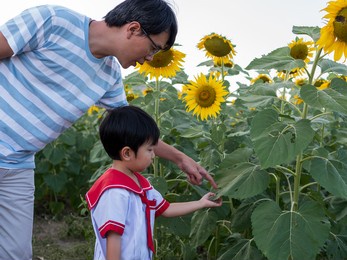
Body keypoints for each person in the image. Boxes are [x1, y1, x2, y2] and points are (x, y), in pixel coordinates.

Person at [0, 0, 218, 259]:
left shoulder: (110, 76)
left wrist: (181, 158)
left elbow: (135, 132)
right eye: (153, 48)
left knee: (15, 253)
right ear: (133, 29)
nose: (149, 59)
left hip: (18, 165)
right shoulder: (53, 20)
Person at [85, 105, 222, 260]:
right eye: (150, 150)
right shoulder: (114, 192)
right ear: (127, 153)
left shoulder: (138, 182)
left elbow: (166, 208)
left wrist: (200, 203)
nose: (154, 155)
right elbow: (113, 240)